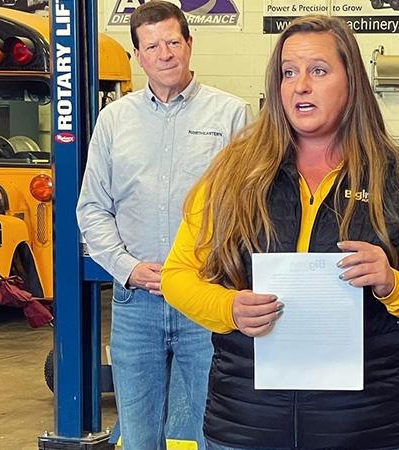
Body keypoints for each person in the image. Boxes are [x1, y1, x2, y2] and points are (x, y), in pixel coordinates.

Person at [162, 15, 399, 450]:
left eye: (318, 71)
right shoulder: (233, 173)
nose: (300, 85)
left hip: (368, 427)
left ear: (352, 82)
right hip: (247, 425)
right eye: (289, 72)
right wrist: (228, 307)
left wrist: (391, 282)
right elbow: (178, 275)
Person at [75, 2, 250, 449]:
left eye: (173, 41)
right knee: (138, 435)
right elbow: (92, 207)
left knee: (217, 428)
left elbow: (249, 208)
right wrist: (127, 267)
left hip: (205, 300)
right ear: (138, 56)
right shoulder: (115, 120)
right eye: (152, 45)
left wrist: (210, 272)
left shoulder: (232, 115)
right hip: (137, 304)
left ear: (190, 44)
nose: (165, 53)